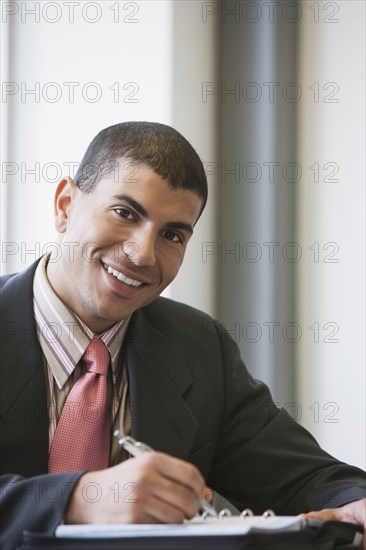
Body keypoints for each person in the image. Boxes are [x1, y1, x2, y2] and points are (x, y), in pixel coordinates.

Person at [0, 122, 365, 550]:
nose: (142, 254)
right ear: (65, 206)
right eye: (125, 213)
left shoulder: (199, 346)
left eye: (172, 234)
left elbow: (303, 477)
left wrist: (355, 501)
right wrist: (75, 500)